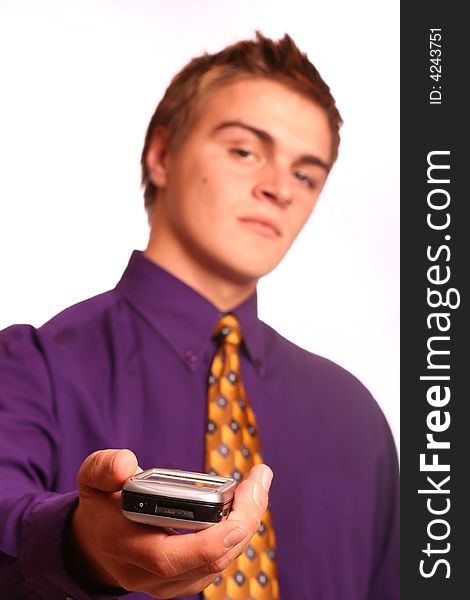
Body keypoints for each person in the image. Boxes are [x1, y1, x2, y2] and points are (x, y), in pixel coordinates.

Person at [0, 32, 399, 599]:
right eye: (244, 150)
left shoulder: (357, 419)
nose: (279, 188)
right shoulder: (27, 369)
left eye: (306, 174)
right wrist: (80, 546)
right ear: (161, 154)